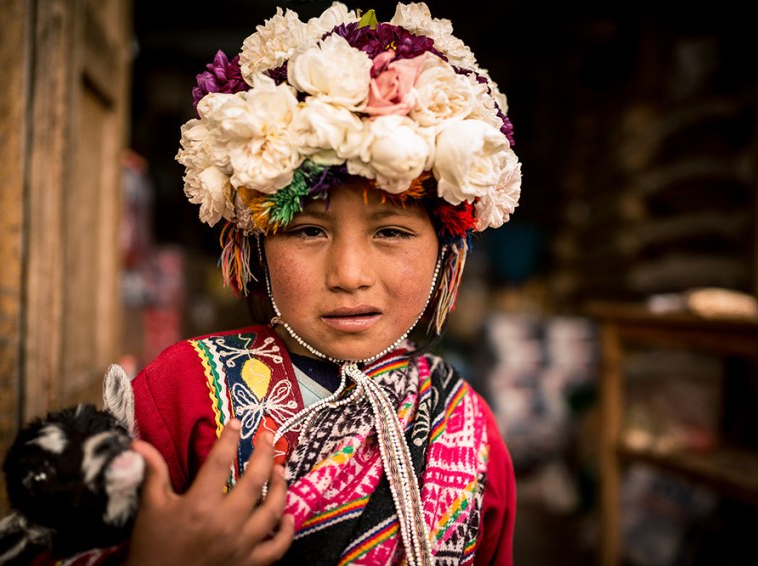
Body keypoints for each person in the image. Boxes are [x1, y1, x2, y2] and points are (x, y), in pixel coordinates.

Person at [83, 2, 521, 564]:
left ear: (446, 251)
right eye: (308, 230)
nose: (349, 275)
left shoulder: (468, 429)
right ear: (256, 247)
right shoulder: (184, 390)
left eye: (390, 232)